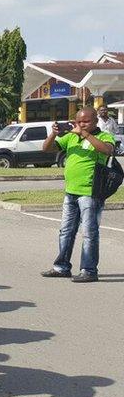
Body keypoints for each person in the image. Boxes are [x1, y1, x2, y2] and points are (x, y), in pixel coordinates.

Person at [41, 107, 116, 283]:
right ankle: (62, 267)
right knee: (66, 231)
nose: (82, 124)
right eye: (79, 121)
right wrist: (54, 133)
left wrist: (84, 133)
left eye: (86, 121)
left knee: (89, 232)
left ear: (95, 121)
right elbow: (46, 148)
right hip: (71, 191)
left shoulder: (103, 136)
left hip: (91, 192)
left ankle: (89, 270)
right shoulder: (71, 136)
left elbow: (107, 150)